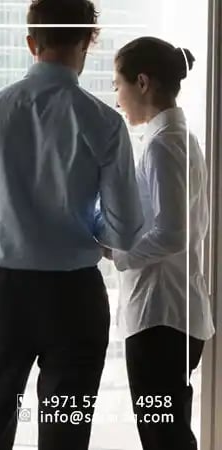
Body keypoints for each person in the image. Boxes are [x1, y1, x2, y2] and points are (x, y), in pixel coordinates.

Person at [0, 0, 145, 449]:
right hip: (74, 299)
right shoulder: (106, 123)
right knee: (66, 438)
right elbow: (124, 230)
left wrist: (9, 223)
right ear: (87, 42)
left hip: (2, 296)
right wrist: (79, 224)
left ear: (31, 42)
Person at [106, 36, 215, 450]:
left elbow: (173, 232)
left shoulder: (163, 146)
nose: (117, 98)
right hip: (175, 313)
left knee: (161, 435)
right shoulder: (178, 140)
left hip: (160, 317)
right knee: (167, 431)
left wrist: (117, 253)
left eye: (118, 85)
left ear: (143, 82)